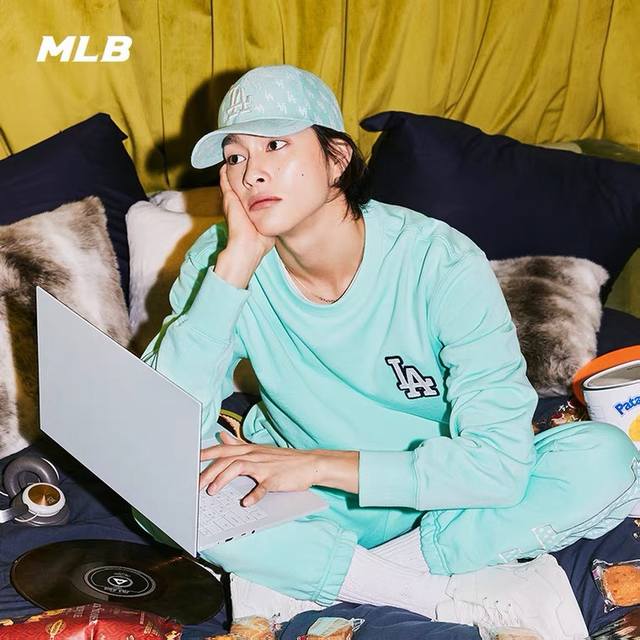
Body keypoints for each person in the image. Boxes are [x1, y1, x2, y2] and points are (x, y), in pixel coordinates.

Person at [136, 65, 640, 639]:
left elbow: (497, 465)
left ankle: (335, 577)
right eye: (234, 156)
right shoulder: (219, 261)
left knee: (605, 458)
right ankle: (435, 593)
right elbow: (162, 427)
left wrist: (318, 463)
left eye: (275, 144)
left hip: (441, 497)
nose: (252, 172)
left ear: (337, 158)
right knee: (161, 496)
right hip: (301, 500)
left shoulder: (440, 263)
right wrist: (234, 269)